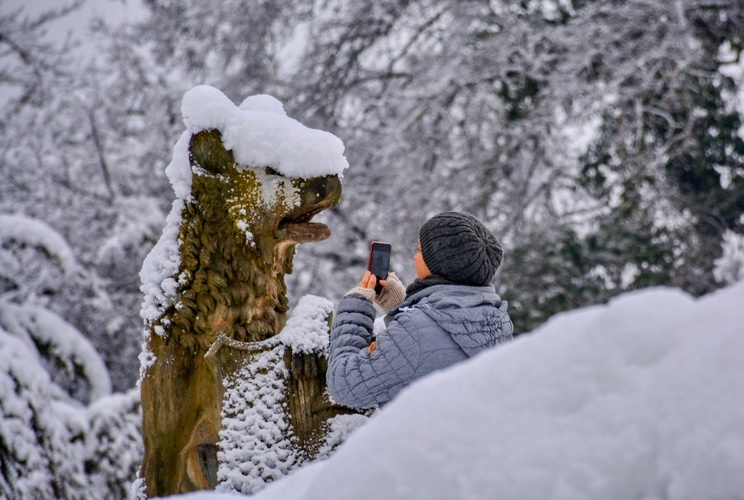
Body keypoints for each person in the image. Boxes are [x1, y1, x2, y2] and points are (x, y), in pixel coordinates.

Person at [326, 211, 514, 409]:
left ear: (442, 264)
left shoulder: (415, 331)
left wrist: (356, 305)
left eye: (420, 251)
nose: (415, 257)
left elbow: (344, 385)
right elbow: (432, 351)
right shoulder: (498, 320)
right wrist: (401, 306)